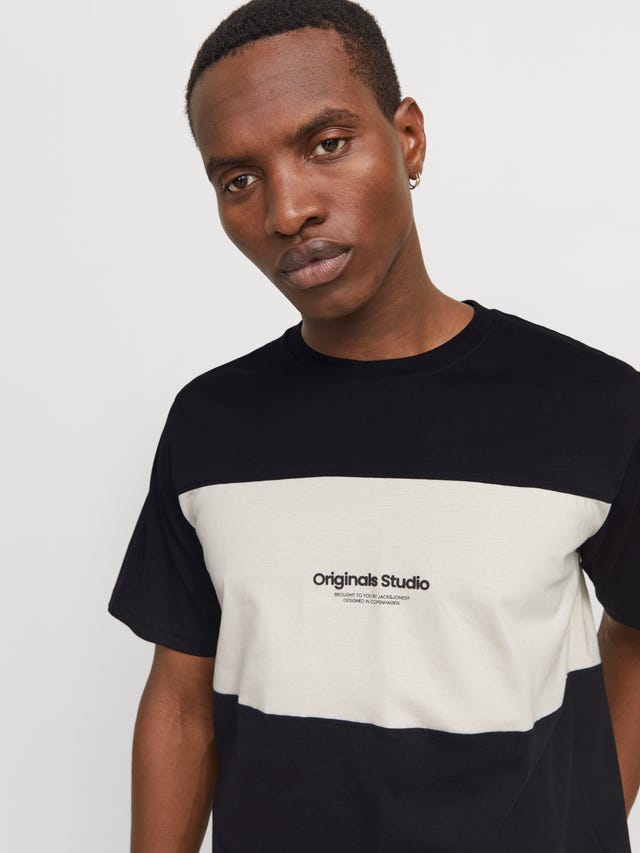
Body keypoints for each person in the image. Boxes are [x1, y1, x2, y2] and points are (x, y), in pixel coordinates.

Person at [107, 0, 640, 850]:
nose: (287, 211)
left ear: (409, 139)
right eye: (238, 179)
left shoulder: (594, 404)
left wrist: (580, 819)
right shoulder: (210, 423)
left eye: (326, 144)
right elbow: (179, 702)